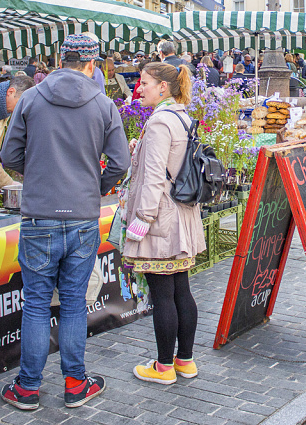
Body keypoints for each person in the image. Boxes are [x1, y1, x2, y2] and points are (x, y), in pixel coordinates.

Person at [0, 34, 129, 410]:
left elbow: (10, 155)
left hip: (39, 215)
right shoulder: (104, 105)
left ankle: (27, 389)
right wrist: (95, 186)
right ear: (91, 65)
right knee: (73, 303)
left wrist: (38, 175)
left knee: (37, 303)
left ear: (61, 59)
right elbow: (120, 163)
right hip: (83, 216)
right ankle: (75, 383)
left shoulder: (31, 97)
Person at [121, 62, 206, 384]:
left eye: (144, 82)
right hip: (181, 216)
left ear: (163, 87)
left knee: (162, 295)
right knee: (181, 289)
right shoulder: (181, 116)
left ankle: (163, 367)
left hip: (160, 219)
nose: (138, 88)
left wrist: (142, 219)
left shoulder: (158, 122)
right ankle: (185, 361)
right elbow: (172, 162)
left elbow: (155, 177)